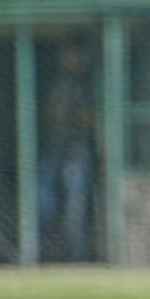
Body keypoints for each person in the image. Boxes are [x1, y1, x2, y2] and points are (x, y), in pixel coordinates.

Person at [37, 41, 96, 263]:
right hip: (54, 149)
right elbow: (51, 112)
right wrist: (69, 113)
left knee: (75, 207)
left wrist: (70, 113)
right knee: (42, 200)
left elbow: (90, 119)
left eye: (75, 55)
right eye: (67, 54)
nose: (70, 59)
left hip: (77, 151)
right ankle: (33, 254)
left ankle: (75, 259)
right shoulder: (60, 82)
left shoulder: (87, 84)